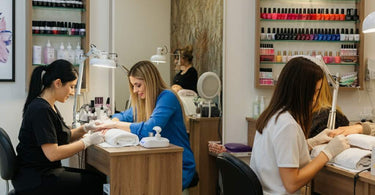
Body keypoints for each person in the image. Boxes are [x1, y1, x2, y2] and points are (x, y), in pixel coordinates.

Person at [250, 56, 350, 194]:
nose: (315, 98)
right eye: (315, 92)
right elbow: (292, 183)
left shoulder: (273, 115)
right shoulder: (287, 125)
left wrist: (313, 142)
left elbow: (280, 153)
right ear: (302, 92)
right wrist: (328, 152)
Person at [95, 60, 197, 190]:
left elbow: (150, 129)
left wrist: (115, 125)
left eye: (138, 85)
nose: (135, 90)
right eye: (133, 86)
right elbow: (124, 116)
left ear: (149, 81)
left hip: (178, 164)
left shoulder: (167, 97)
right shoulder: (145, 101)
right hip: (157, 160)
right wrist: (112, 121)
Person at [12, 60, 106, 195]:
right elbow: (53, 154)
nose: (73, 92)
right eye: (72, 86)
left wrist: (84, 129)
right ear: (57, 83)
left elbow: (61, 135)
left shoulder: (48, 105)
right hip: (34, 179)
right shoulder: (41, 110)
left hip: (41, 172)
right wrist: (87, 142)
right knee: (95, 182)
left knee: (96, 177)